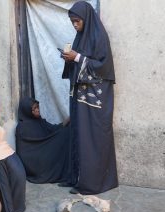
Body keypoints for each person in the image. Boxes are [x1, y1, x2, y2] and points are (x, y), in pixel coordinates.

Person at [59, 1, 118, 194]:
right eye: (72, 22)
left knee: (91, 139)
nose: (75, 25)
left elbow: (104, 67)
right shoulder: (80, 38)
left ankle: (91, 183)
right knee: (77, 135)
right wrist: (70, 58)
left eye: (77, 21)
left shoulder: (99, 36)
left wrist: (76, 58)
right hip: (80, 98)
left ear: (86, 18)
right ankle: (76, 178)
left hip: (94, 102)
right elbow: (80, 61)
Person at [15, 97, 71, 184]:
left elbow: (54, 129)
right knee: (63, 135)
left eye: (38, 107)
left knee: (66, 132)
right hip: (34, 162)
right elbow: (24, 153)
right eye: (34, 109)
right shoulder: (22, 128)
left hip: (44, 153)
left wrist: (68, 119)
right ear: (27, 111)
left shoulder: (39, 121)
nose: (37, 110)